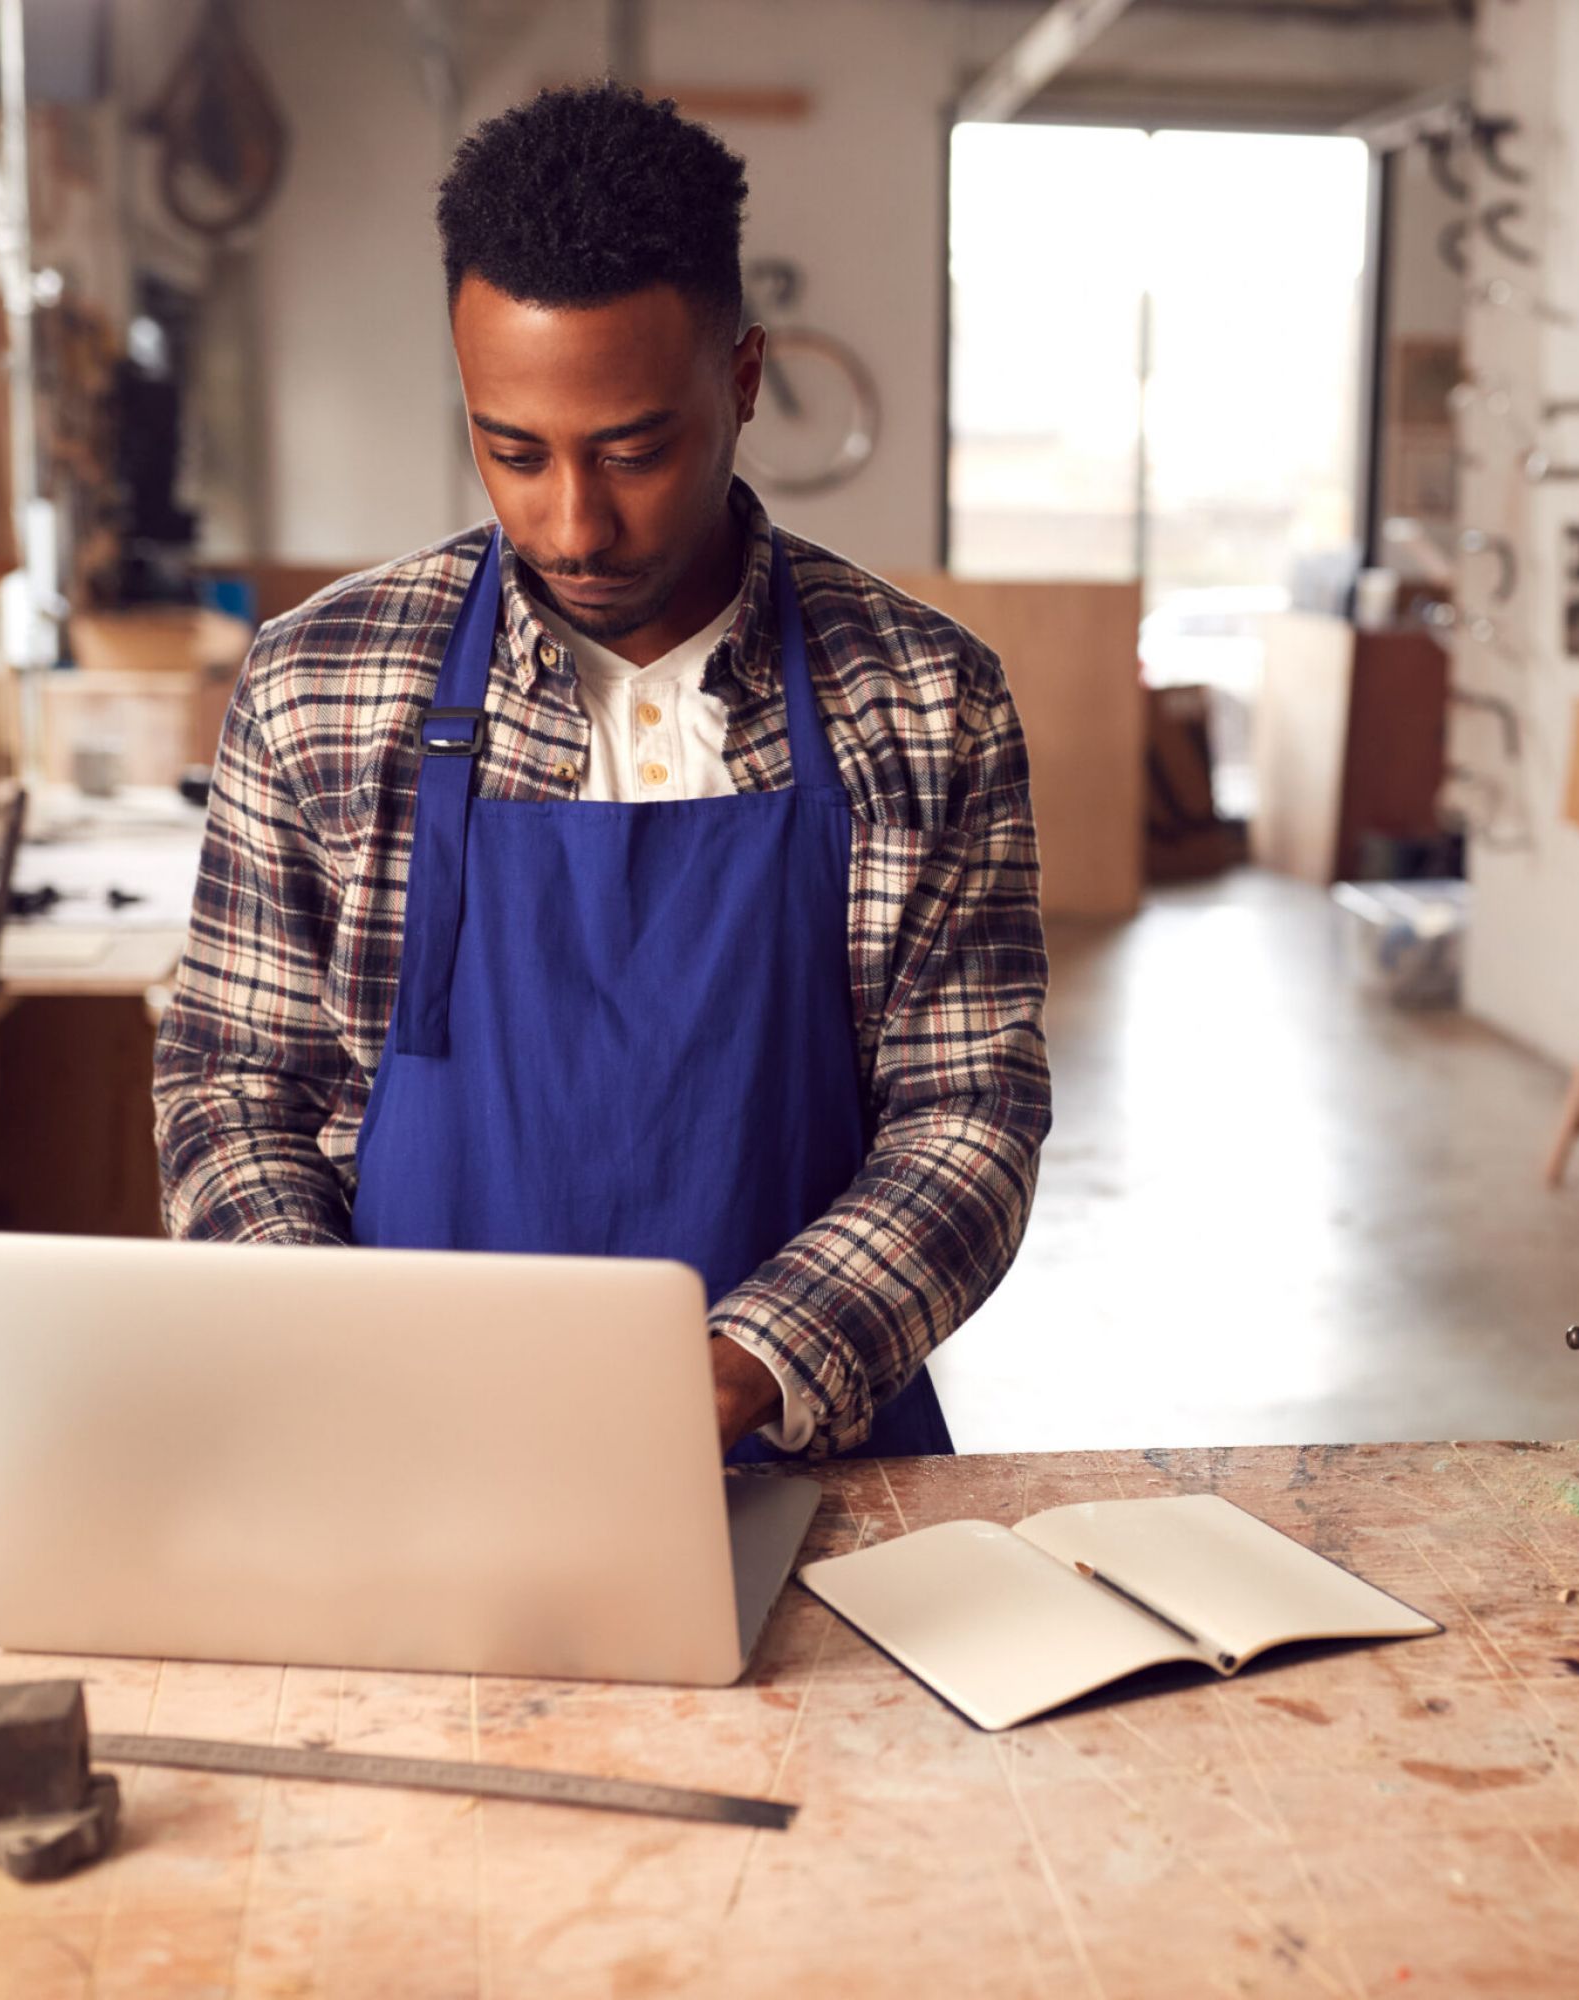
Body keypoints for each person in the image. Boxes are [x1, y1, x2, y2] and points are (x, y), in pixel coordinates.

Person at [154, 83, 1050, 1463]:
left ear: (742, 380)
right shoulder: (319, 686)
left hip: (804, 1462)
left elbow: (968, 1115)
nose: (573, 524)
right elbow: (231, 1086)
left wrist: (755, 1360)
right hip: (411, 1452)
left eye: (635, 449)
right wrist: (321, 1330)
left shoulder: (926, 702)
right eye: (514, 452)